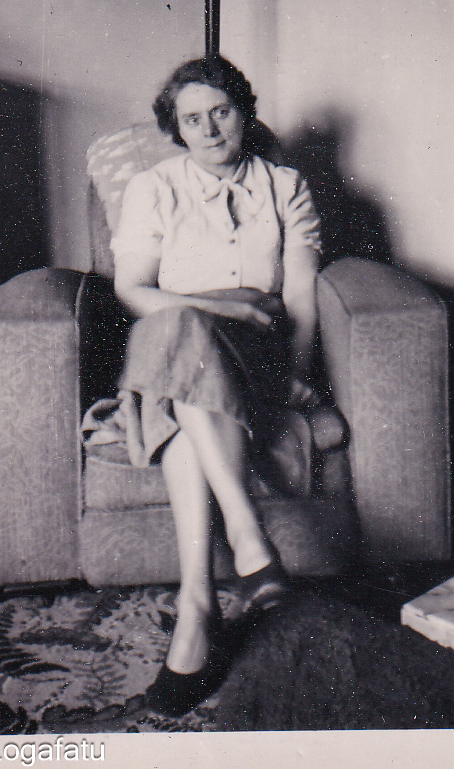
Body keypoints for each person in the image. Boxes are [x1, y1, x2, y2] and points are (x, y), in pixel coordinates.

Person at [109, 56, 323, 716]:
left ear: (245, 111)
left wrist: (299, 375)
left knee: (177, 401)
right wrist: (217, 309)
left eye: (220, 112)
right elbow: (132, 290)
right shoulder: (155, 187)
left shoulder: (285, 185)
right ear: (176, 128)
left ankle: (197, 610)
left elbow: (302, 294)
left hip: (252, 350)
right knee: (176, 329)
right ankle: (245, 533)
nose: (207, 129)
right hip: (174, 329)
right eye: (191, 119)